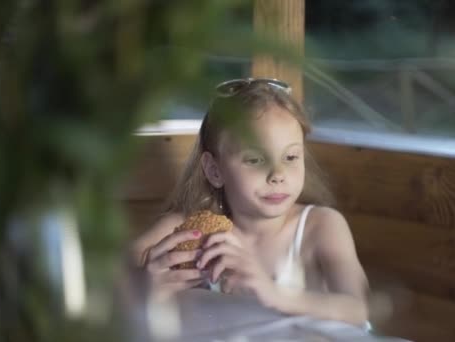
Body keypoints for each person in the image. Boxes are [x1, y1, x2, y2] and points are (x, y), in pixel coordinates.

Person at [131, 78, 371, 327]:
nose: (277, 174)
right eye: (255, 160)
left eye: (290, 156)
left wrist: (273, 293)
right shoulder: (187, 229)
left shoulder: (321, 226)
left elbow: (359, 308)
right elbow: (112, 281)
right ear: (215, 170)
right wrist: (143, 283)